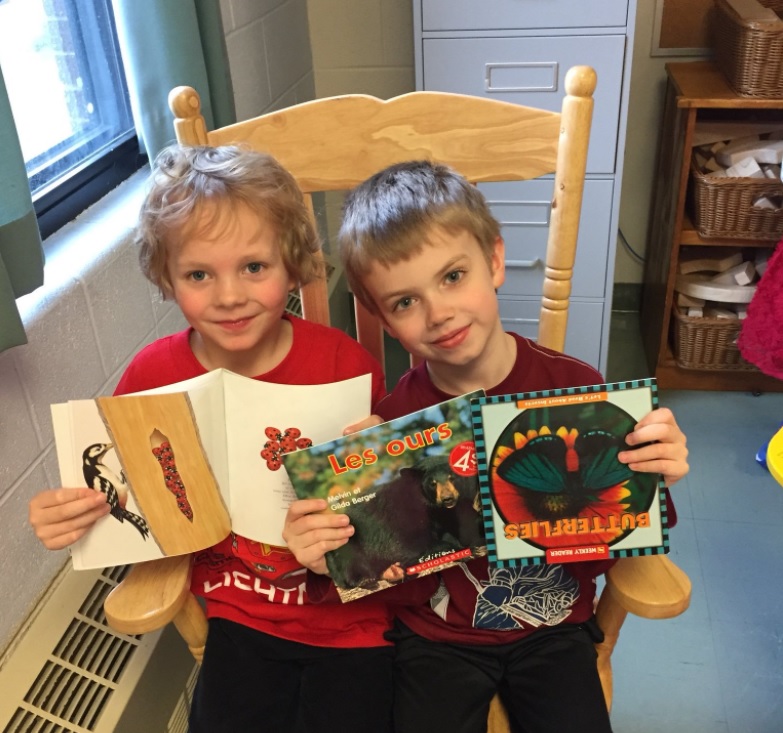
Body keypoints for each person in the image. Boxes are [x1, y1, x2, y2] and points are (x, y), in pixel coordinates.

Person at [284, 160, 690, 733]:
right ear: (383, 318)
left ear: (494, 260)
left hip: (556, 631)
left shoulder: (579, 393)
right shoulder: (397, 423)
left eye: (453, 276)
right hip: (436, 640)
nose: (439, 312)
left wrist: (655, 478)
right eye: (404, 302)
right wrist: (336, 546)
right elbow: (395, 578)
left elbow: (622, 540)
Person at [28, 145, 396, 733]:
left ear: (294, 263)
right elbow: (131, 502)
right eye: (199, 274)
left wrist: (384, 469)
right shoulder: (152, 378)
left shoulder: (342, 364)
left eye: (254, 267)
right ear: (167, 280)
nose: (229, 296)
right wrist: (73, 516)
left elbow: (389, 527)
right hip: (240, 616)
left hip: (354, 619)